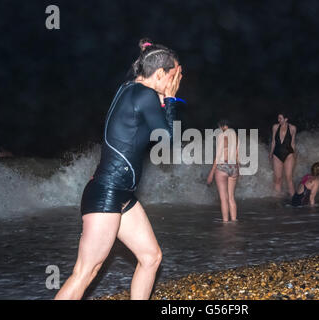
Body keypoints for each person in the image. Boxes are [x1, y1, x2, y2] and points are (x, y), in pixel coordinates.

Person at [55, 38, 183, 300]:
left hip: (121, 194)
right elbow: (167, 141)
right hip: (107, 194)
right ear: (160, 74)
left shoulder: (131, 89)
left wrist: (157, 76)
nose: (176, 80)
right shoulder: (145, 95)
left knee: (151, 257)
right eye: (174, 75)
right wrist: (171, 99)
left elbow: (147, 125)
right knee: (85, 273)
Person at [207, 120, 239, 222]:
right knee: (231, 198)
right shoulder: (235, 135)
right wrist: (238, 169)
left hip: (222, 167)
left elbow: (218, 155)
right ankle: (234, 221)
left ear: (221, 126)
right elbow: (237, 154)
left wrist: (211, 173)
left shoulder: (222, 136)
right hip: (234, 166)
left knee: (223, 199)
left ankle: (225, 222)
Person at [269, 113, 297, 196]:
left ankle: (294, 199)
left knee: (289, 178)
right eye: (278, 118)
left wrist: (294, 154)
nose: (279, 120)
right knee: (278, 179)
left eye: (280, 118)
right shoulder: (275, 127)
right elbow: (273, 141)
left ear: (286, 119)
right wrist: (271, 153)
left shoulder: (292, 128)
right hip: (277, 154)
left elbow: (293, 143)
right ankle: (277, 200)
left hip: (288, 154)